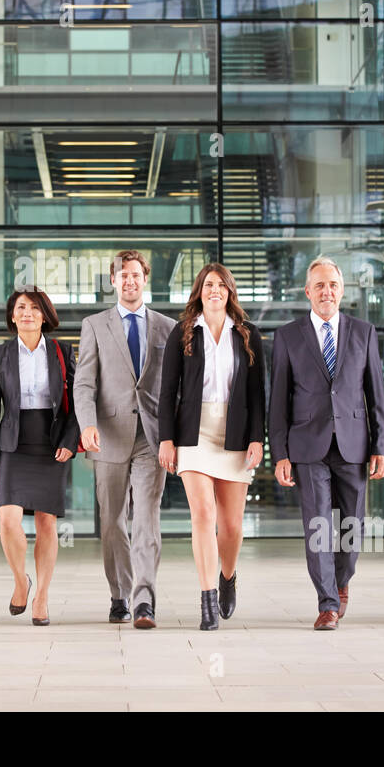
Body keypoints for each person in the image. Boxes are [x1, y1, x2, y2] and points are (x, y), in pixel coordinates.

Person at [269, 256, 384, 631]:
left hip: (354, 443)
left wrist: (380, 446)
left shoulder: (364, 332)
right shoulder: (288, 336)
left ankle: (341, 580)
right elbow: (278, 401)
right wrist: (281, 454)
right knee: (318, 524)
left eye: (333, 285)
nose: (327, 292)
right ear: (308, 292)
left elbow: (376, 395)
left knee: (352, 525)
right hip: (307, 446)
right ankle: (327, 604)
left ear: (342, 291)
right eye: (319, 285)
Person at [157, 263, 265, 631]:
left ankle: (227, 576)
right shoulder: (183, 332)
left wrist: (257, 438)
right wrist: (166, 438)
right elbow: (167, 389)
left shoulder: (248, 334)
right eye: (207, 285)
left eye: (220, 285)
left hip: (235, 432)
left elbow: (256, 392)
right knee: (203, 514)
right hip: (194, 432)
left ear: (230, 292)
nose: (214, 290)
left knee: (232, 525)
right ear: (199, 292)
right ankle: (206, 599)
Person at [74, 250, 175, 629]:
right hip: (108, 436)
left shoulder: (166, 326)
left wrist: (173, 437)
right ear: (113, 281)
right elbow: (84, 382)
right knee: (112, 520)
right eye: (122, 275)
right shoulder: (95, 325)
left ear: (144, 279)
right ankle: (120, 593)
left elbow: (174, 389)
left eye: (135, 274)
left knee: (147, 519)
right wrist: (86, 424)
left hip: (151, 438)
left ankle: (144, 601)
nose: (129, 281)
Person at [0, 287, 80, 627]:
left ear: (45, 316)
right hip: (12, 442)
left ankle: (42, 597)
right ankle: (21, 580)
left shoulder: (62, 352)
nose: (27, 313)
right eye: (21, 307)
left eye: (35, 308)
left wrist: (70, 439)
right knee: (8, 520)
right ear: (12, 316)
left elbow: (78, 402)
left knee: (46, 523)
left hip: (51, 443)